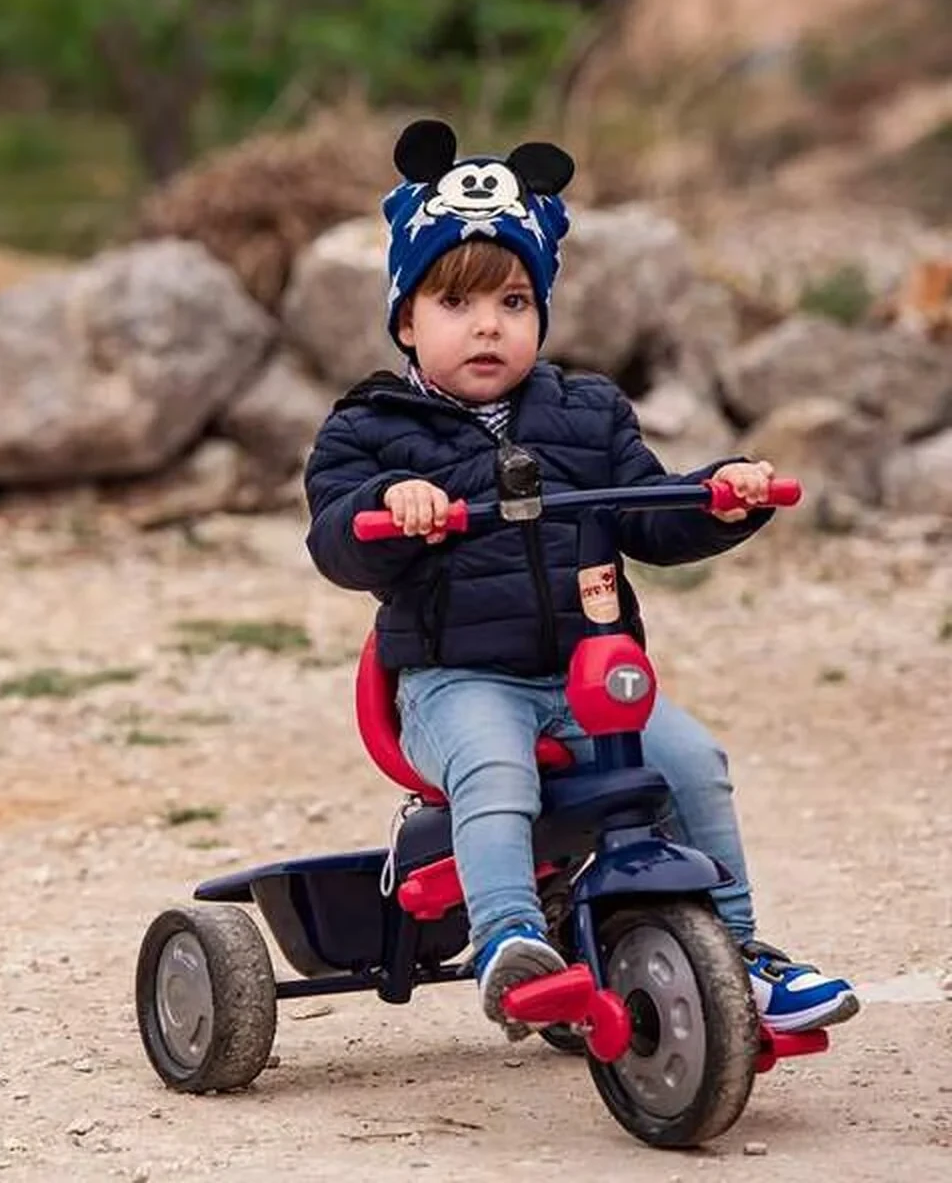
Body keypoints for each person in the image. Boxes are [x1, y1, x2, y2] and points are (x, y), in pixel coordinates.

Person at [303, 119, 859, 1039]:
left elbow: (643, 508)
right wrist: (391, 503)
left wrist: (719, 495)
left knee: (691, 762)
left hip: (587, 679)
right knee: (493, 766)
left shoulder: (586, 411)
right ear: (406, 318)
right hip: (454, 681)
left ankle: (741, 951)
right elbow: (335, 537)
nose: (488, 325)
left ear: (542, 315)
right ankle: (509, 939)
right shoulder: (368, 426)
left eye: (515, 303)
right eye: (457, 304)